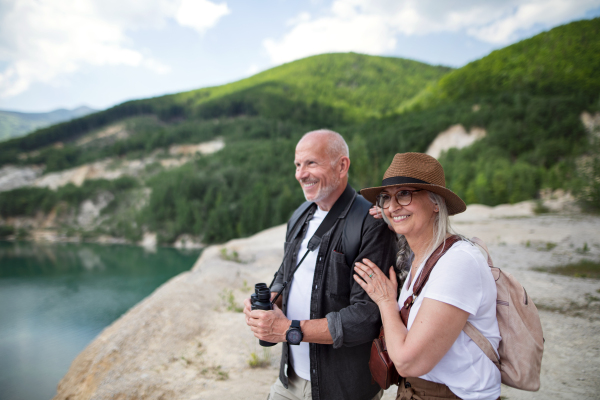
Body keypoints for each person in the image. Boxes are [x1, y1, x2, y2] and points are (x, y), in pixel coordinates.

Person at [243, 130, 398, 400]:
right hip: (289, 380)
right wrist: (270, 300)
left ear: (342, 166)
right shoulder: (300, 215)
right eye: (297, 165)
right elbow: (285, 274)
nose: (300, 174)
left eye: (311, 163)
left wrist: (289, 329)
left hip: (343, 389)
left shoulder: (370, 223)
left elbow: (367, 317)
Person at [354, 152, 501, 400]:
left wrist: (386, 302)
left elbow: (408, 363)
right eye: (385, 198)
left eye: (404, 193)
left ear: (436, 202)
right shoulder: (422, 259)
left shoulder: (457, 262)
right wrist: (396, 215)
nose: (391, 205)